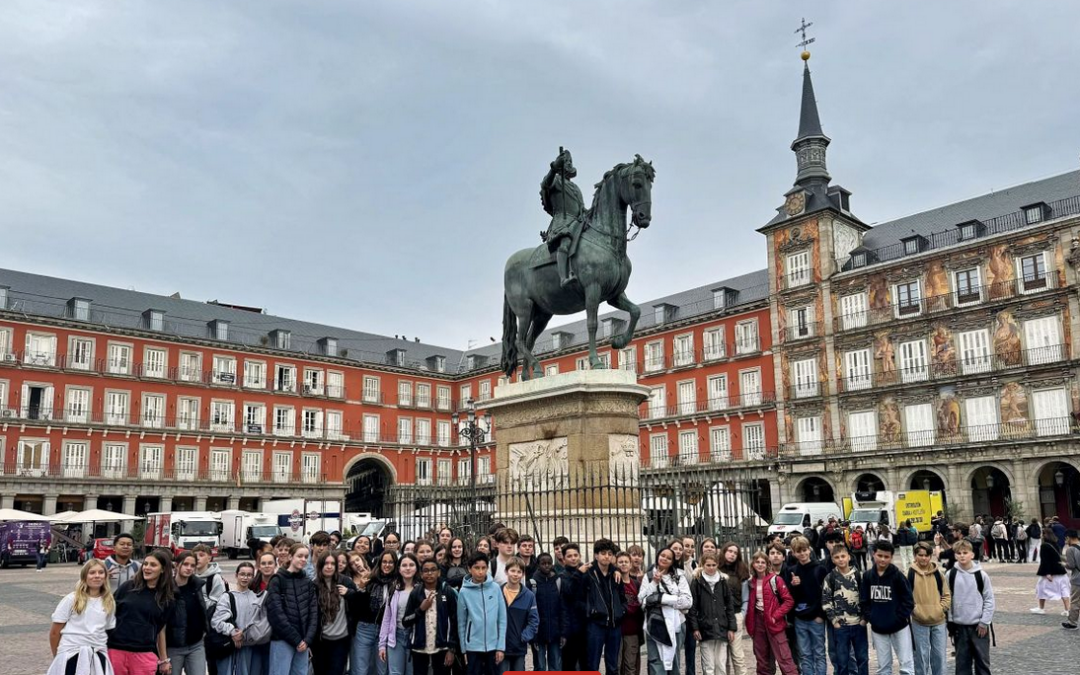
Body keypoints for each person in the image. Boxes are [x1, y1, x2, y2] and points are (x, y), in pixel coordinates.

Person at [108, 550, 175, 675]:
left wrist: (164, 659)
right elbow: (108, 613)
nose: (147, 568)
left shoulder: (167, 598)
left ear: (163, 569)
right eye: (145, 564)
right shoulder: (127, 587)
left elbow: (160, 629)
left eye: (153, 565)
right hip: (116, 650)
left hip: (144, 653)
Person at [48, 559, 116, 675]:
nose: (97, 576)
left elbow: (107, 631)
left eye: (100, 572)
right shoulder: (71, 599)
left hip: (97, 654)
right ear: (85, 576)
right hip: (72, 654)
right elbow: (55, 632)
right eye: (92, 572)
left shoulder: (109, 602)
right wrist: (59, 656)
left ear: (105, 576)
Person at [859, 540, 914, 675]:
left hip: (899, 627)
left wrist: (899, 617)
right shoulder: (867, 576)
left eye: (886, 557)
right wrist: (871, 617)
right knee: (883, 666)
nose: (883, 559)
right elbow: (864, 600)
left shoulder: (898, 576)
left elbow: (908, 601)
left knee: (906, 664)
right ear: (873, 554)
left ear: (891, 557)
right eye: (880, 556)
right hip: (878, 628)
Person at [639, 547, 692, 675]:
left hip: (676, 625)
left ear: (673, 561)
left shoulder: (679, 577)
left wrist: (663, 599)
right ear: (658, 556)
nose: (665, 559)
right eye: (663, 555)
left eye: (669, 558)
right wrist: (654, 583)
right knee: (656, 662)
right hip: (654, 624)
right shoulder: (649, 576)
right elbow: (642, 600)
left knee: (673, 662)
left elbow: (688, 602)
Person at [265, 544, 318, 675]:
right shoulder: (277, 580)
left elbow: (313, 613)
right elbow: (275, 614)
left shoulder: (307, 582)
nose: (303, 559)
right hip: (283, 640)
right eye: (300, 556)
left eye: (306, 556)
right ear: (290, 557)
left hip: (304, 641)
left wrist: (307, 639)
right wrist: (296, 639)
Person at [745, 551, 797, 675]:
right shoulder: (750, 582)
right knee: (762, 660)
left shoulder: (775, 579)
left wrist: (775, 616)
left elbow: (788, 601)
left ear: (767, 564)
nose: (760, 565)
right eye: (757, 562)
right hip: (758, 623)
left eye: (763, 562)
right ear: (753, 564)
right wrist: (750, 625)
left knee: (784, 657)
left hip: (774, 622)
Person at [402, 559, 458, 675]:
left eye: (433, 570)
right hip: (419, 647)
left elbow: (454, 621)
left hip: (442, 647)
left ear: (438, 572)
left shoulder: (447, 592)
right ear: (421, 574)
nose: (429, 573)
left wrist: (451, 649)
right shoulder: (415, 593)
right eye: (426, 571)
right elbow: (405, 621)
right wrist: (420, 610)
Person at [947, 540, 995, 675]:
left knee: (982, 663)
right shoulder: (951, 575)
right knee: (962, 664)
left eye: (965, 553)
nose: (962, 556)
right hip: (959, 626)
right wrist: (950, 621)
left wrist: (985, 622)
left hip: (979, 626)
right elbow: (948, 599)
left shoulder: (981, 575)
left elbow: (989, 599)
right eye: (959, 553)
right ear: (955, 555)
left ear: (972, 555)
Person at [210, 562, 265, 675]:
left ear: (253, 577)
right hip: (229, 646)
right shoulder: (227, 597)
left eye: (249, 575)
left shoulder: (256, 598)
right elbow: (217, 621)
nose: (245, 578)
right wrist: (233, 632)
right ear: (236, 575)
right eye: (242, 574)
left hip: (248, 647)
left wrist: (246, 635)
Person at [821, 545, 868, 675]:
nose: (841, 560)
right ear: (832, 559)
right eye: (837, 557)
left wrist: (864, 619)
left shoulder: (859, 576)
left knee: (862, 659)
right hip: (841, 626)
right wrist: (834, 621)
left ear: (848, 557)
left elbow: (865, 599)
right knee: (842, 660)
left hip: (858, 624)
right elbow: (826, 601)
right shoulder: (830, 578)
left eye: (843, 556)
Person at [456, 553, 507, 675]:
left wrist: (500, 646)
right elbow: (461, 622)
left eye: (483, 568)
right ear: (469, 568)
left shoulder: (495, 588)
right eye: (476, 568)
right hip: (472, 647)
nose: (480, 572)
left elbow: (502, 619)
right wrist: (464, 649)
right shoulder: (464, 592)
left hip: (493, 646)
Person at [688, 552, 737, 675]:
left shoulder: (722, 581)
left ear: (717, 565)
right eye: (708, 565)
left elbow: (730, 606)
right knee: (708, 665)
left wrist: (731, 627)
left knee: (720, 664)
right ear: (703, 565)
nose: (711, 568)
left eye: (713, 565)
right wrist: (695, 628)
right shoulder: (697, 582)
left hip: (721, 626)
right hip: (705, 627)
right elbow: (693, 607)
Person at [584, 538, 626, 674]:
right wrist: (590, 611)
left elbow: (622, 597)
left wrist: (622, 611)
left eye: (609, 553)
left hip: (614, 624)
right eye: (603, 553)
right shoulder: (588, 574)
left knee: (613, 665)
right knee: (592, 664)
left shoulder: (616, 575)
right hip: (595, 624)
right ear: (596, 555)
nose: (606, 556)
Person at [907, 542, 950, 675]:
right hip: (919, 622)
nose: (923, 558)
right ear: (915, 556)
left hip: (939, 622)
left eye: (926, 555)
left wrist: (940, 609)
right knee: (921, 658)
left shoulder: (939, 574)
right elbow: (905, 598)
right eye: (920, 555)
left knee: (940, 658)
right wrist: (916, 610)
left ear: (930, 556)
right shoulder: (909, 574)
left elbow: (947, 595)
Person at [788, 536, 827, 675]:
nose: (802, 554)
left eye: (804, 550)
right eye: (799, 551)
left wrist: (821, 615)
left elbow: (825, 594)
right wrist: (794, 586)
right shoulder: (792, 570)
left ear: (809, 550)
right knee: (804, 654)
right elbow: (790, 597)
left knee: (819, 653)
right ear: (793, 553)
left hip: (816, 618)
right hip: (800, 619)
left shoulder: (820, 569)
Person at [354, 551, 396, 675]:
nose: (387, 565)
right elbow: (359, 607)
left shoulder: (397, 583)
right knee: (361, 669)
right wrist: (362, 589)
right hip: (366, 628)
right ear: (379, 563)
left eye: (390, 562)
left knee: (382, 670)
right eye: (384, 562)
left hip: (386, 630)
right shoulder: (370, 579)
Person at [315, 552, 357, 675]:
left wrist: (349, 593)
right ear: (320, 565)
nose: (329, 566)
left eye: (333, 563)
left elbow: (359, 604)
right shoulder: (314, 585)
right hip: (321, 640)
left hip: (341, 639)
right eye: (326, 563)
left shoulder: (345, 582)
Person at [167, 552, 209, 675]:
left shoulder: (196, 586)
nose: (189, 568)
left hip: (196, 644)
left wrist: (204, 630)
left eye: (192, 565)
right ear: (176, 565)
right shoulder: (167, 588)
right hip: (173, 647)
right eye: (185, 564)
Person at [379, 553, 419, 675]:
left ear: (417, 567)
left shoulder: (421, 589)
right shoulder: (394, 590)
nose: (408, 568)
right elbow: (387, 618)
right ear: (399, 569)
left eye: (411, 565)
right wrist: (382, 644)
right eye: (404, 565)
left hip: (415, 638)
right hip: (396, 637)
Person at [499, 557, 539, 673]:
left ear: (522, 574)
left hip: (519, 648)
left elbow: (534, 621)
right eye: (512, 571)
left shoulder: (529, 596)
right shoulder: (497, 592)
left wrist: (524, 637)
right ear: (506, 572)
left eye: (519, 572)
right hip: (501, 647)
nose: (515, 575)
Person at [717, 543, 749, 675]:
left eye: (735, 553)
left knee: (737, 656)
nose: (732, 554)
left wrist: (742, 614)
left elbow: (746, 598)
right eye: (729, 551)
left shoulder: (742, 572)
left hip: (735, 616)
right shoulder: (715, 568)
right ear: (724, 552)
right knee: (721, 658)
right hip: (718, 617)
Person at [530, 553, 565, 672]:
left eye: (549, 563)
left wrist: (563, 632)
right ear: (538, 565)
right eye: (543, 563)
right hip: (538, 632)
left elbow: (562, 608)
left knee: (555, 666)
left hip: (555, 631)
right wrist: (533, 634)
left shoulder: (558, 581)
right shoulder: (533, 582)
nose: (546, 566)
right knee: (540, 666)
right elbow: (530, 610)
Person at [559, 543, 587, 671]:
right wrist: (578, 574)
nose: (573, 558)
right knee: (569, 665)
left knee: (586, 664)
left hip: (586, 625)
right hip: (570, 628)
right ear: (563, 559)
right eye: (569, 556)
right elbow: (569, 592)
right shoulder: (562, 576)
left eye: (576, 555)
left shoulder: (586, 573)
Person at [615, 551, 643, 675]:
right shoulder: (614, 582)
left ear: (631, 564)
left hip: (632, 630)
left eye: (626, 562)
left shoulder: (636, 583)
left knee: (630, 666)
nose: (623, 564)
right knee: (616, 664)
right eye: (620, 562)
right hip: (617, 630)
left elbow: (641, 603)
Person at [1032, 532, 1071, 615]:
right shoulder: (1056, 544)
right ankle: (1067, 609)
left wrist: (1047, 573)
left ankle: (1041, 608)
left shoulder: (1044, 545)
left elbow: (1045, 560)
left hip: (1050, 571)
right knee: (1064, 590)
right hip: (1060, 569)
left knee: (1041, 588)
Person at [1060, 529, 1080, 630]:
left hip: (1077, 580)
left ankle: (1072, 622)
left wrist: (1063, 564)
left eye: (1065, 539)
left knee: (1075, 601)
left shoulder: (1070, 549)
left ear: (1068, 538)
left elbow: (1071, 565)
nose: (1065, 541)